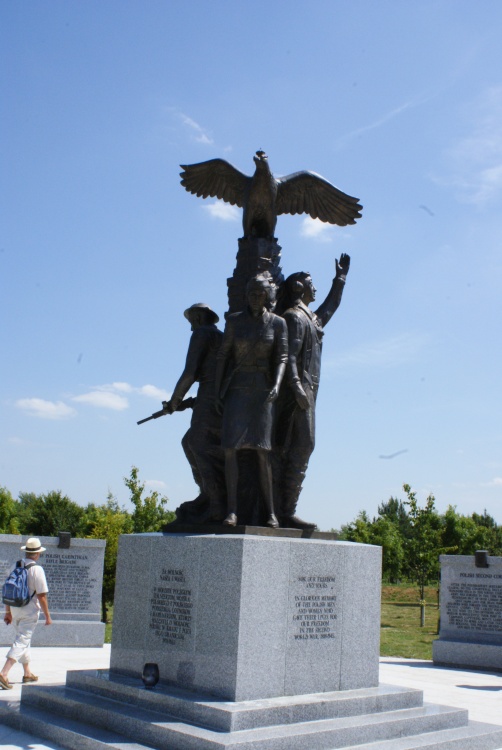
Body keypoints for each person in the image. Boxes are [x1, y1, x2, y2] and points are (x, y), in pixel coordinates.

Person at [274, 253, 350, 529]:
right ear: (298, 288)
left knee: (301, 448)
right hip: (296, 396)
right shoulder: (294, 317)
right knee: (296, 447)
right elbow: (289, 355)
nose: (315, 288)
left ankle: (285, 510)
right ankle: (283, 511)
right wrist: (296, 389)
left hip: (306, 394)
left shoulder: (309, 317)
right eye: (311, 283)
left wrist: (340, 279)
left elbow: (328, 310)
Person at [215, 274, 288, 527]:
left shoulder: (278, 323)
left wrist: (277, 385)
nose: (256, 297)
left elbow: (282, 357)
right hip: (237, 389)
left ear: (268, 295)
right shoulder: (234, 322)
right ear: (246, 296)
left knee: (262, 452)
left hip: (263, 391)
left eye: (261, 293)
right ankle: (232, 512)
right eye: (252, 293)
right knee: (230, 450)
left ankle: (270, 513)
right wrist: (216, 390)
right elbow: (223, 356)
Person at [163, 303, 226, 523]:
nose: (190, 327)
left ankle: (215, 501)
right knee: (194, 442)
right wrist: (188, 403)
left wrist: (174, 401)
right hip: (218, 398)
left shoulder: (202, 334)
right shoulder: (220, 336)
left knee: (197, 444)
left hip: (210, 397)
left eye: (191, 321)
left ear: (199, 318)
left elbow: (190, 372)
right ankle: (209, 494)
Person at [0, 537, 52, 689]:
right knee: (22, 640)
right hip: (29, 611)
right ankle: (4, 673)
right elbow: (42, 596)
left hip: (15, 608)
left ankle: (27, 673)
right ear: (37, 554)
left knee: (23, 640)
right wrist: (47, 616)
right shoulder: (37, 570)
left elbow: (7, 591)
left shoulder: (15, 567)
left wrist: (8, 612)